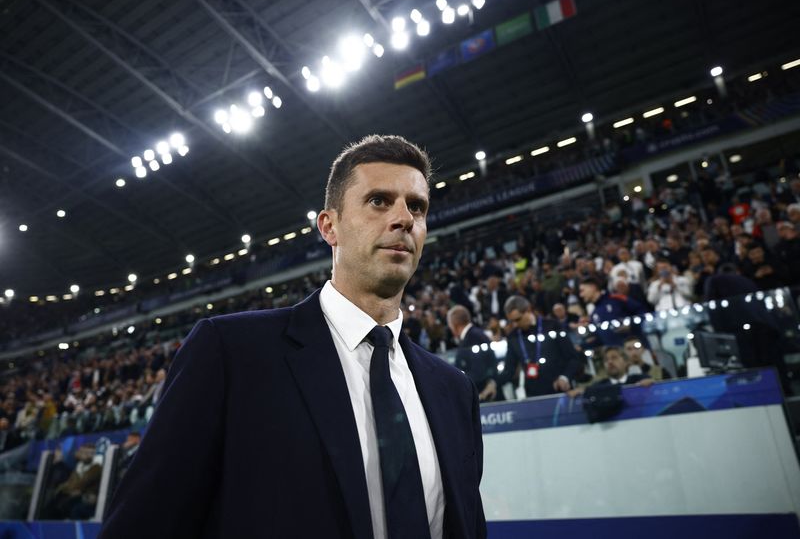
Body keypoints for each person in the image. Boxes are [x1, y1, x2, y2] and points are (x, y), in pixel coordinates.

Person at [99, 135, 486, 539]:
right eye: (379, 201)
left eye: (417, 207)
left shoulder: (454, 392)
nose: (404, 218)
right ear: (329, 226)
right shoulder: (232, 353)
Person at [498, 295, 583, 398]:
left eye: (518, 319)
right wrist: (494, 383)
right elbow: (509, 370)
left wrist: (565, 377)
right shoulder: (513, 337)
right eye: (512, 321)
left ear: (528, 310)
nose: (515, 325)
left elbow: (573, 358)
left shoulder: (552, 326)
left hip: (560, 391)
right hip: (533, 395)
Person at [447, 305, 501, 402]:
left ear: (455, 324)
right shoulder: (476, 334)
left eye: (450, 325)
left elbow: (478, 371)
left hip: (482, 395)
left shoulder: (472, 338)